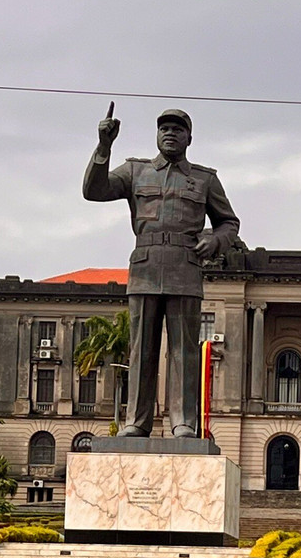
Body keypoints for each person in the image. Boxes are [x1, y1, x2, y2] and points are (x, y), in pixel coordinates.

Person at [83, 103, 240, 437]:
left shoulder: (204, 179)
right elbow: (94, 191)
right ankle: (136, 422)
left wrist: (215, 241)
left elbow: (229, 222)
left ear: (189, 138)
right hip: (146, 265)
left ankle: (183, 421)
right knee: (142, 350)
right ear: (157, 135)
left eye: (178, 129)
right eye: (165, 128)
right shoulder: (135, 171)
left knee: (183, 351)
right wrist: (104, 146)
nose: (170, 133)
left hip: (185, 265)